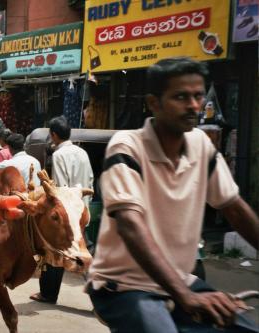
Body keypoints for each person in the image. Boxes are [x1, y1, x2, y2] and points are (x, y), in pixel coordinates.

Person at [87, 57, 259, 333]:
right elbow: (131, 225)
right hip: (123, 285)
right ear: (153, 103)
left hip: (180, 279)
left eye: (198, 96)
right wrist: (184, 295)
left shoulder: (202, 145)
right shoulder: (128, 146)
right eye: (181, 97)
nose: (193, 105)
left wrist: (185, 290)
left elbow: (234, 208)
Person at [30, 115, 94, 304]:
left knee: (56, 246)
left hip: (68, 213)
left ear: (54, 135)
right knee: (83, 248)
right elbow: (90, 179)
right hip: (82, 209)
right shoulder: (82, 152)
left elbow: (60, 190)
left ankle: (49, 294)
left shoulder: (59, 155)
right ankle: (101, 294)